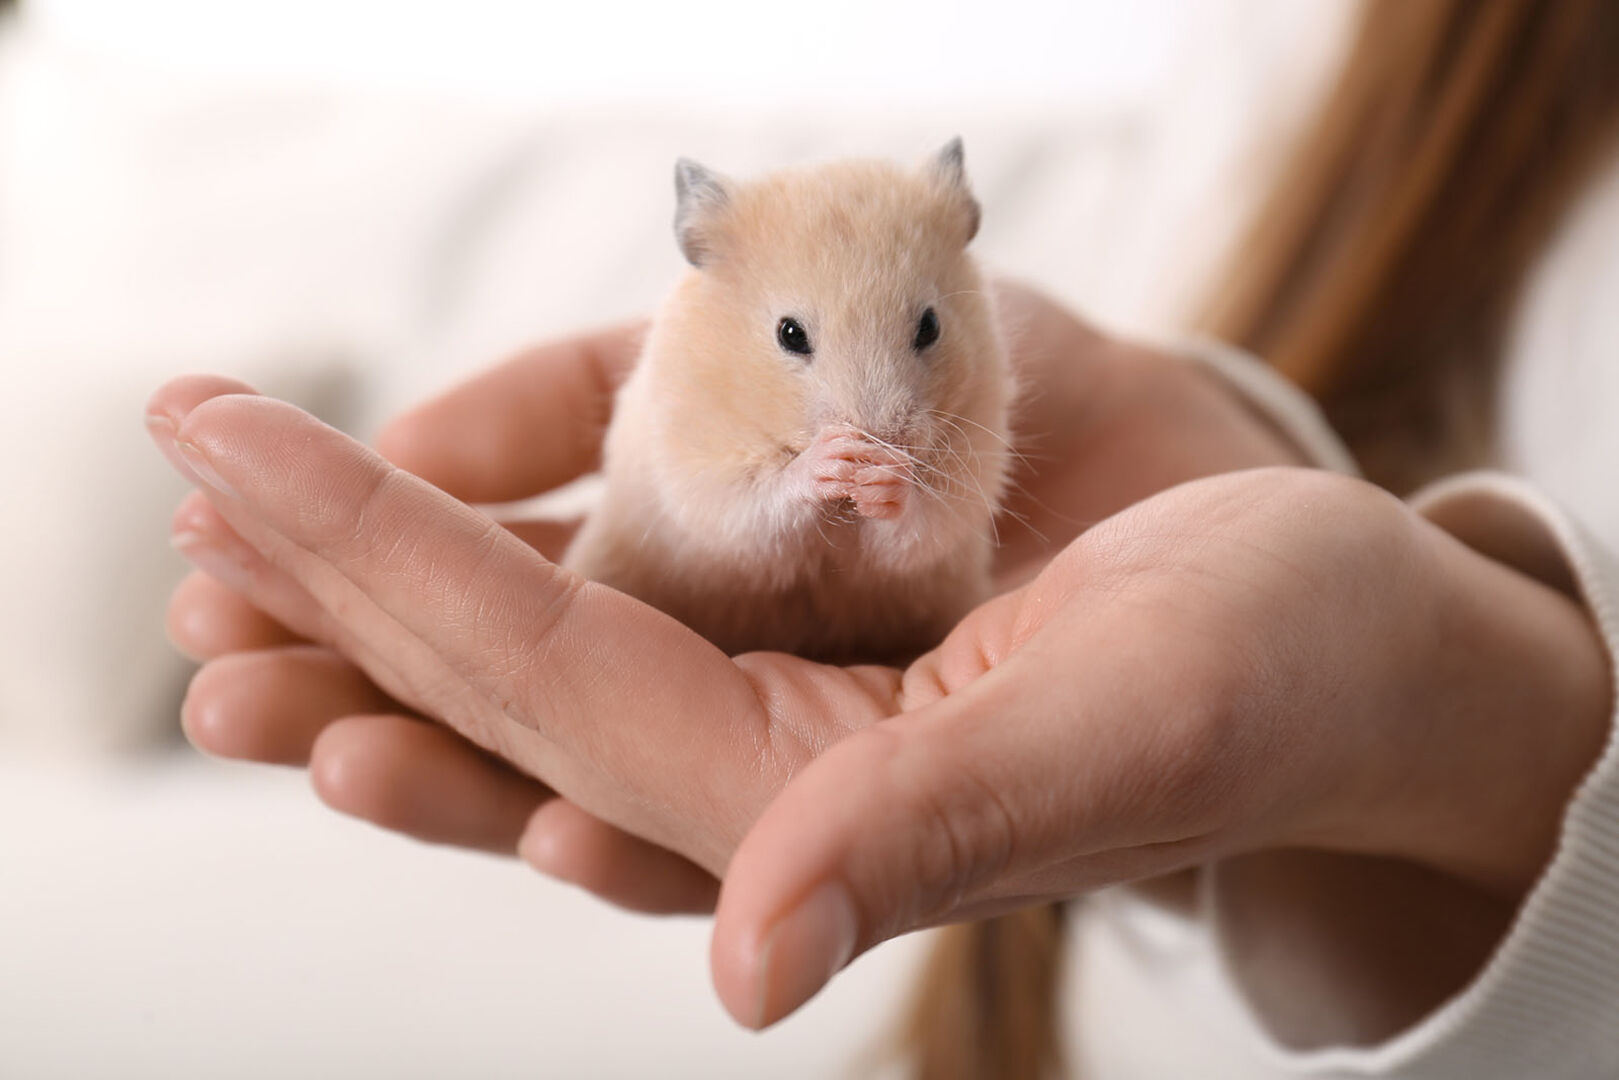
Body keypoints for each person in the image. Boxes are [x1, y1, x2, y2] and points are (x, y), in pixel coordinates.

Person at [150, 1, 1619, 1076]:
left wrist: (1420, 699)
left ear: (959, 286)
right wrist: (790, 486)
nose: (883, 403)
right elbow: (702, 518)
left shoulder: (965, 377)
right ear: (714, 280)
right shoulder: (1315, 45)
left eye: (921, 339)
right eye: (799, 344)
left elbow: (937, 570)